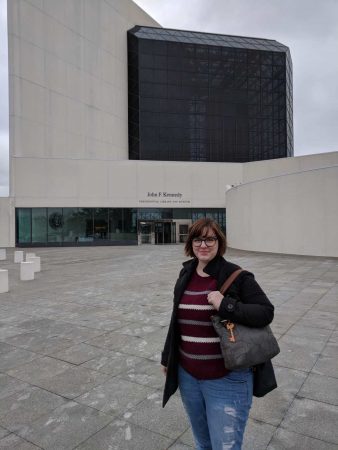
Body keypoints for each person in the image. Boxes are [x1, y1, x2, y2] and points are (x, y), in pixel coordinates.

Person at [161, 218, 275, 450]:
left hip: (227, 378)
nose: (203, 244)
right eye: (198, 238)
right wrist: (167, 357)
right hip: (188, 376)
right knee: (203, 443)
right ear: (190, 242)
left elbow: (265, 312)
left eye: (210, 238)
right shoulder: (186, 273)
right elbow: (178, 320)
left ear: (219, 242)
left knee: (225, 446)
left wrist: (226, 305)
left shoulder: (236, 275)